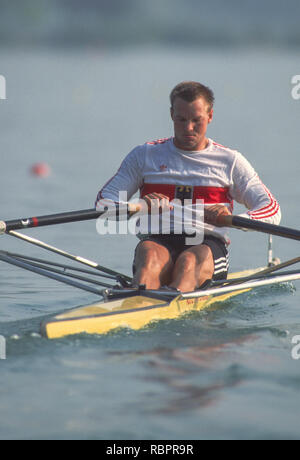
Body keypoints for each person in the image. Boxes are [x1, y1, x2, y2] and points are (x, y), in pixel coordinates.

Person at [95, 81, 281, 292]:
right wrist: (139, 205)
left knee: (189, 263)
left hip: (207, 244)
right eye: (181, 120)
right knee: (149, 260)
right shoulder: (144, 155)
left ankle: (162, 301)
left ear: (210, 116)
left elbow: (271, 208)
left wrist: (235, 219)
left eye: (196, 120)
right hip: (157, 240)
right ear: (171, 114)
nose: (188, 128)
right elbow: (104, 203)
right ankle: (142, 299)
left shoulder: (230, 161)